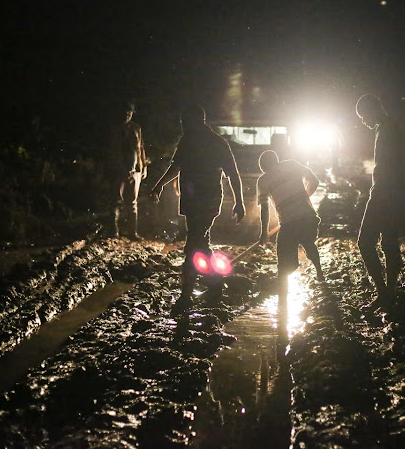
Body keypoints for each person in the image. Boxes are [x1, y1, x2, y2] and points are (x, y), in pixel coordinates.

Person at [149, 105, 245, 315]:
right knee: (200, 242)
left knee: (193, 244)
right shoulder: (198, 141)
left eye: (185, 123)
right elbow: (177, 167)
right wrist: (160, 185)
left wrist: (240, 202)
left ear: (195, 122)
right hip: (197, 201)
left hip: (205, 200)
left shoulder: (210, 142)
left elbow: (232, 174)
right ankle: (215, 284)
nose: (183, 127)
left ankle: (187, 295)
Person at [257, 150, 325, 326]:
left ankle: (283, 298)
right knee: (308, 242)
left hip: (289, 223)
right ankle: (319, 273)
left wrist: (263, 232)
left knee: (283, 260)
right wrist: (304, 197)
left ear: (263, 167)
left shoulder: (263, 181)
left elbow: (264, 209)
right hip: (309, 218)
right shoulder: (292, 164)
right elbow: (315, 181)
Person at [355, 93, 405, 310]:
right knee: (389, 242)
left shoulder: (387, 131)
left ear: (371, 110)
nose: (362, 121)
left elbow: (389, 167)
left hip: (384, 193)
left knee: (365, 241)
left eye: (362, 116)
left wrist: (377, 193)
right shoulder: (388, 128)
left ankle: (384, 293)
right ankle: (389, 294)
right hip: (394, 193)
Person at [114, 103, 147, 238]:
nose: (127, 114)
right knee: (116, 200)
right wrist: (120, 168)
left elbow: (141, 147)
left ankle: (132, 232)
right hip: (118, 170)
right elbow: (112, 151)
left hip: (135, 171)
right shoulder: (114, 129)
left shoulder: (136, 128)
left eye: (129, 112)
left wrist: (143, 166)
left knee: (132, 202)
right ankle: (114, 232)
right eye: (125, 111)